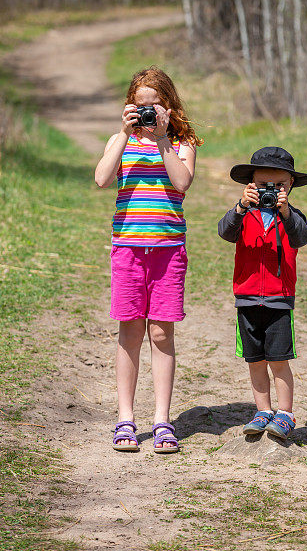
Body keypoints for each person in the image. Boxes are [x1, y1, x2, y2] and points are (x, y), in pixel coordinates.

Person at [95, 66, 202, 453]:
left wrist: (162, 140)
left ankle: (161, 419)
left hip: (168, 250)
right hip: (127, 247)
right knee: (130, 332)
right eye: (140, 106)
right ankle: (125, 417)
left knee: (161, 332)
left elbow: (182, 182)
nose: (148, 112)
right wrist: (124, 134)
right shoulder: (119, 139)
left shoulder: (181, 142)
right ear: (129, 106)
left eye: (155, 105)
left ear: (169, 106)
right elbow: (101, 179)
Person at [218, 147, 307, 439]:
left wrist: (284, 211)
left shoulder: (292, 217)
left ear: (290, 186)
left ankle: (285, 413)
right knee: (255, 360)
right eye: (263, 185)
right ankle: (263, 410)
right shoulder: (243, 214)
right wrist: (240, 207)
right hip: (247, 298)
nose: (270, 191)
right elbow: (224, 232)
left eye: (278, 185)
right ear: (251, 185)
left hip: (278, 300)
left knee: (279, 359)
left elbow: (302, 237)